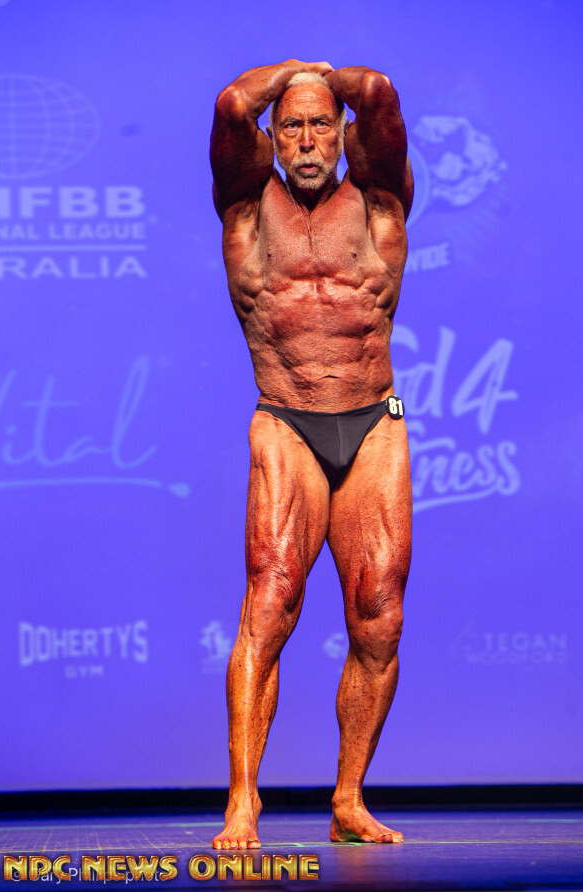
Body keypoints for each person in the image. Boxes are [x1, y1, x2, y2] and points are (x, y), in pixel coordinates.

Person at [209, 59, 414, 848]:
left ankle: (348, 800)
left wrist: (326, 76)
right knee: (270, 603)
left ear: (342, 133)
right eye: (290, 126)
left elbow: (381, 93)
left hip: (374, 421)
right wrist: (298, 76)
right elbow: (232, 103)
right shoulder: (244, 206)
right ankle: (243, 803)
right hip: (288, 420)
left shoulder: (381, 200)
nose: (304, 140)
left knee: (380, 617)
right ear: (271, 136)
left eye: (320, 124)